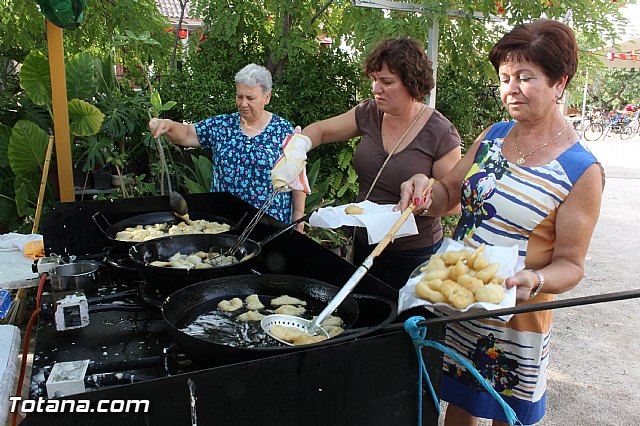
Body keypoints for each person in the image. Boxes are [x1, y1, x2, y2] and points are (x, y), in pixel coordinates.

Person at [397, 20, 604, 425]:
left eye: (526, 78)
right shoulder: (493, 136)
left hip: (517, 315)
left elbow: (571, 264)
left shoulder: (581, 170)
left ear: (560, 82)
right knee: (457, 408)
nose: (511, 88)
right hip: (461, 299)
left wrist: (536, 280)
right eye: (505, 77)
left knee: (504, 414)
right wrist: (423, 189)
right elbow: (448, 195)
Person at [271, 37, 462, 289]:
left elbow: (454, 204)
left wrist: (421, 204)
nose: (376, 89)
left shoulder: (439, 131)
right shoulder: (370, 113)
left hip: (414, 253)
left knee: (403, 323)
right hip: (365, 243)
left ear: (411, 83)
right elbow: (322, 131)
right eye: (374, 79)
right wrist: (299, 146)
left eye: (387, 82)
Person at [149, 63, 306, 226]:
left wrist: (298, 215)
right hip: (223, 223)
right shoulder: (222, 125)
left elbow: (298, 174)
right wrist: (168, 125)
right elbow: (187, 133)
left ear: (267, 97)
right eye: (240, 96)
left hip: (269, 223)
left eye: (250, 98)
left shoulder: (283, 130)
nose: (243, 103)